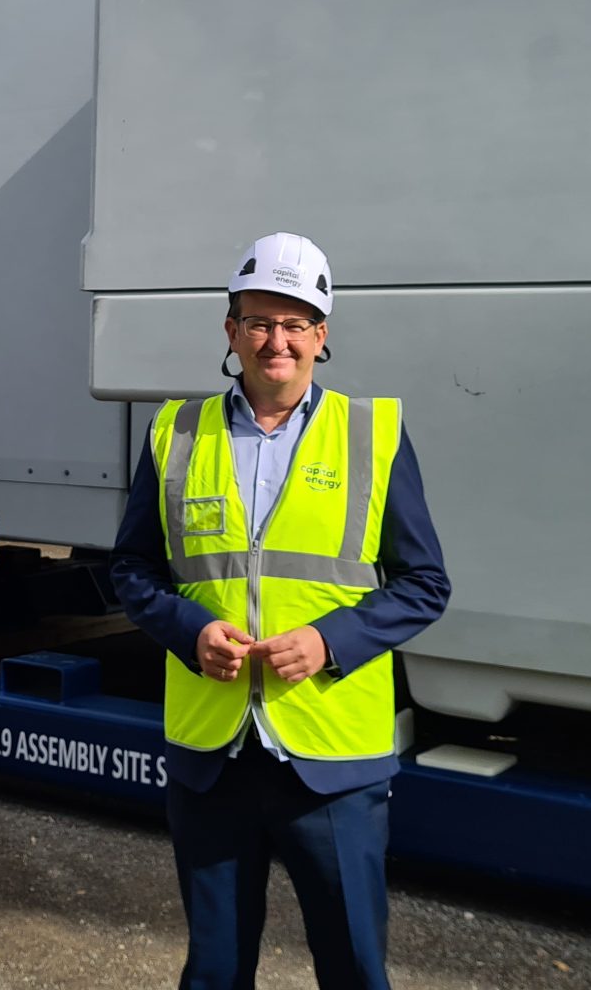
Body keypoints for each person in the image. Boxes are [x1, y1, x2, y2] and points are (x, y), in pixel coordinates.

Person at [111, 232, 450, 990]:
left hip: (332, 762)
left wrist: (329, 642)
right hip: (214, 759)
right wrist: (190, 631)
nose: (278, 341)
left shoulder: (372, 434)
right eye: (260, 322)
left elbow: (424, 583)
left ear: (321, 336)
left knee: (354, 969)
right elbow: (131, 568)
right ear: (231, 330)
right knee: (214, 972)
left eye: (296, 324)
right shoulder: (176, 433)